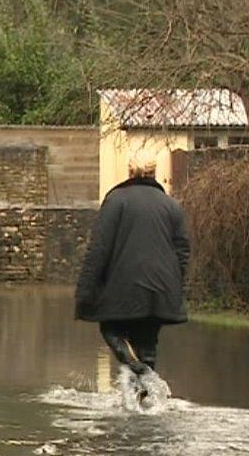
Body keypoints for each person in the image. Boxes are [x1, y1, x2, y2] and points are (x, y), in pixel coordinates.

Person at [75, 149, 191, 389]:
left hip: (125, 286)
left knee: (111, 328)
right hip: (161, 289)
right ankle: (144, 398)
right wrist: (175, 287)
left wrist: (85, 291)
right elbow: (182, 252)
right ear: (154, 173)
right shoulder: (171, 205)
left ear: (130, 171)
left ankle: (136, 367)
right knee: (147, 343)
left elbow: (99, 248)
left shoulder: (116, 200)